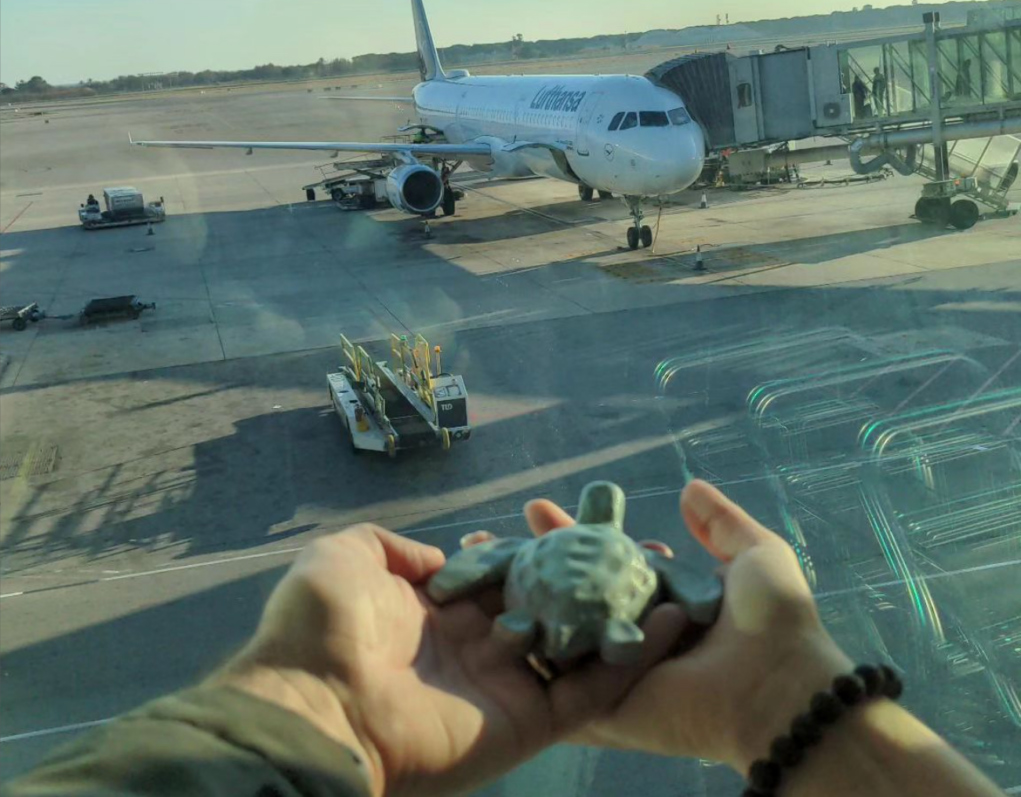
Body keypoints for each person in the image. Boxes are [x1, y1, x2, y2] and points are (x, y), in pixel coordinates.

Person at [6, 481, 1004, 797]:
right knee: (617, 613)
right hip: (607, 604)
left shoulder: (518, 579)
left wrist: (314, 700)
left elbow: (482, 574)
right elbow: (659, 589)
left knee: (541, 593)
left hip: (541, 602)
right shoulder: (638, 564)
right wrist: (785, 699)